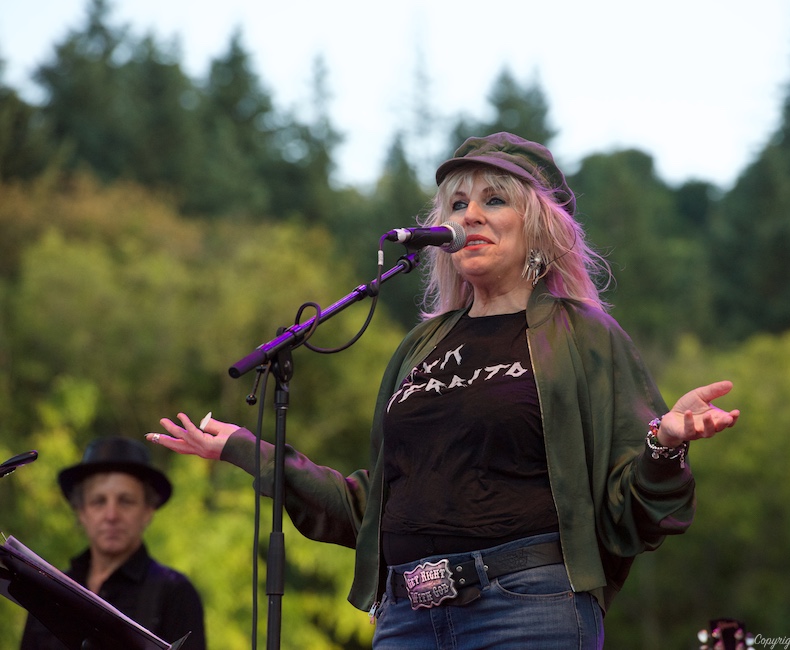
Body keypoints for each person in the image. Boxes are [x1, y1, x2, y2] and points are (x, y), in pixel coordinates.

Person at [149, 131, 739, 649]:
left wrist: (665, 442)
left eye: (493, 200)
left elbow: (632, 507)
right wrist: (247, 450)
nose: (469, 216)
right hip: (407, 617)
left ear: (537, 224)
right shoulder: (421, 346)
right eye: (457, 204)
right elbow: (370, 507)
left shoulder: (581, 336)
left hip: (530, 611)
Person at [20, 436, 207, 650]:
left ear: (148, 511)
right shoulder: (48, 591)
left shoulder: (175, 593)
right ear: (81, 512)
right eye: (98, 501)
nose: (111, 515)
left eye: (126, 501)